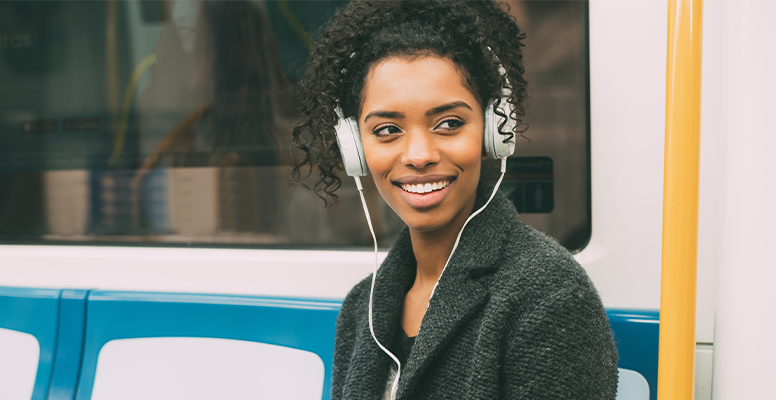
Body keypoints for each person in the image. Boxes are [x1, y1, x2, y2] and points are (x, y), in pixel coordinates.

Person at [292, 1, 618, 399]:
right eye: (388, 129)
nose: (418, 154)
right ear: (355, 149)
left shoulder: (548, 296)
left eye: (449, 123)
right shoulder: (363, 307)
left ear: (492, 134)